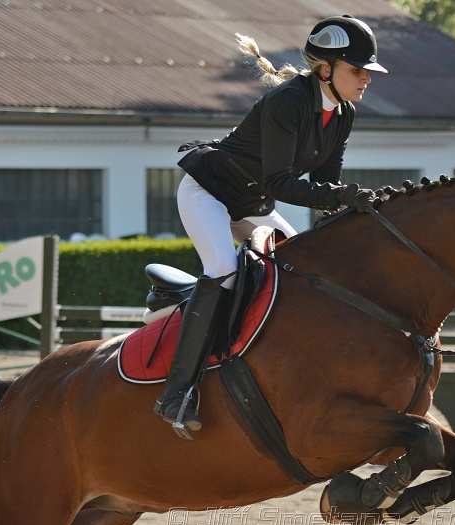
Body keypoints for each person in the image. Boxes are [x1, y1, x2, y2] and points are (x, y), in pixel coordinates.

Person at [154, 15, 387, 439]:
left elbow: (324, 187)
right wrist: (341, 197)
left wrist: (353, 218)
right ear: (326, 69)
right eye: (358, 70)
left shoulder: (344, 113)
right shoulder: (288, 100)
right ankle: (177, 394)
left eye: (368, 71)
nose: (366, 78)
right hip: (208, 191)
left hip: (251, 202)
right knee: (223, 269)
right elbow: (283, 182)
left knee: (306, 274)